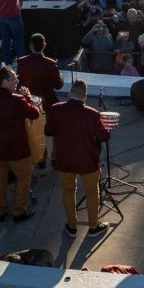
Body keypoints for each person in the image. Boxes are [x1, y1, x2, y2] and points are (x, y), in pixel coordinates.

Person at [44, 79, 112, 238]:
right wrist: (107, 128)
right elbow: (103, 137)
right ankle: (93, 227)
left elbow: (48, 131)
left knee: (68, 190)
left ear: (69, 94)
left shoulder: (56, 109)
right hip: (87, 161)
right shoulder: (92, 114)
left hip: (65, 160)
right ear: (85, 96)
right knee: (92, 192)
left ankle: (72, 226)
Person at [0, 66, 41, 222]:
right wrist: (27, 96)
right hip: (16, 150)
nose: (16, 82)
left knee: (0, 178)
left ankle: (1, 211)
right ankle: (19, 211)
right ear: (4, 81)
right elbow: (35, 114)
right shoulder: (17, 100)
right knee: (24, 177)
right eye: (13, 79)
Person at [17, 33, 62, 171]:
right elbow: (58, 85)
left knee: (38, 132)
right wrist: (60, 76)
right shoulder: (51, 63)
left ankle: (41, 158)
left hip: (31, 103)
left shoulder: (22, 62)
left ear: (30, 46)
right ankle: (55, 158)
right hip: (49, 103)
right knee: (55, 131)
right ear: (44, 45)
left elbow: (20, 84)